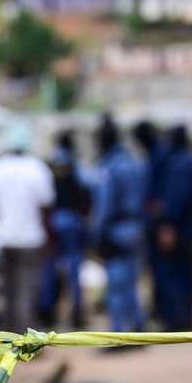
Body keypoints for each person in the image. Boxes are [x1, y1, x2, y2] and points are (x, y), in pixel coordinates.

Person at [0, 124, 56, 333]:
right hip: (30, 239)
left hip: (4, 238)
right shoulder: (37, 168)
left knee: (8, 293)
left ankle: (7, 338)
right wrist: (48, 237)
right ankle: (25, 338)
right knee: (27, 291)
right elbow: (46, 206)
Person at [92, 115, 146, 336]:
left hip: (115, 230)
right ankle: (137, 326)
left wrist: (96, 233)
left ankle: (119, 333)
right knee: (131, 282)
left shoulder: (110, 167)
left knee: (116, 285)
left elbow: (104, 206)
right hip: (134, 227)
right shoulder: (133, 162)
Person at [38, 130, 92, 328]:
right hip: (73, 219)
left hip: (55, 220)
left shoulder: (51, 164)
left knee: (50, 268)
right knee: (74, 269)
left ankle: (48, 311)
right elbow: (87, 190)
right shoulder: (77, 165)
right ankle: (77, 312)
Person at [158, 125, 192, 331]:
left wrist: (169, 227)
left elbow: (178, 199)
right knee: (186, 275)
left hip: (179, 229)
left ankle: (179, 321)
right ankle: (187, 319)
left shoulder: (179, 163)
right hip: (188, 226)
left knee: (177, 275)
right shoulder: (189, 160)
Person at [134, 120, 172, 326]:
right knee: (155, 270)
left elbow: (162, 193)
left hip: (160, 222)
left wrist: (164, 223)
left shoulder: (159, 157)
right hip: (152, 221)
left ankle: (164, 311)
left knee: (162, 270)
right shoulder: (153, 155)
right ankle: (159, 309)